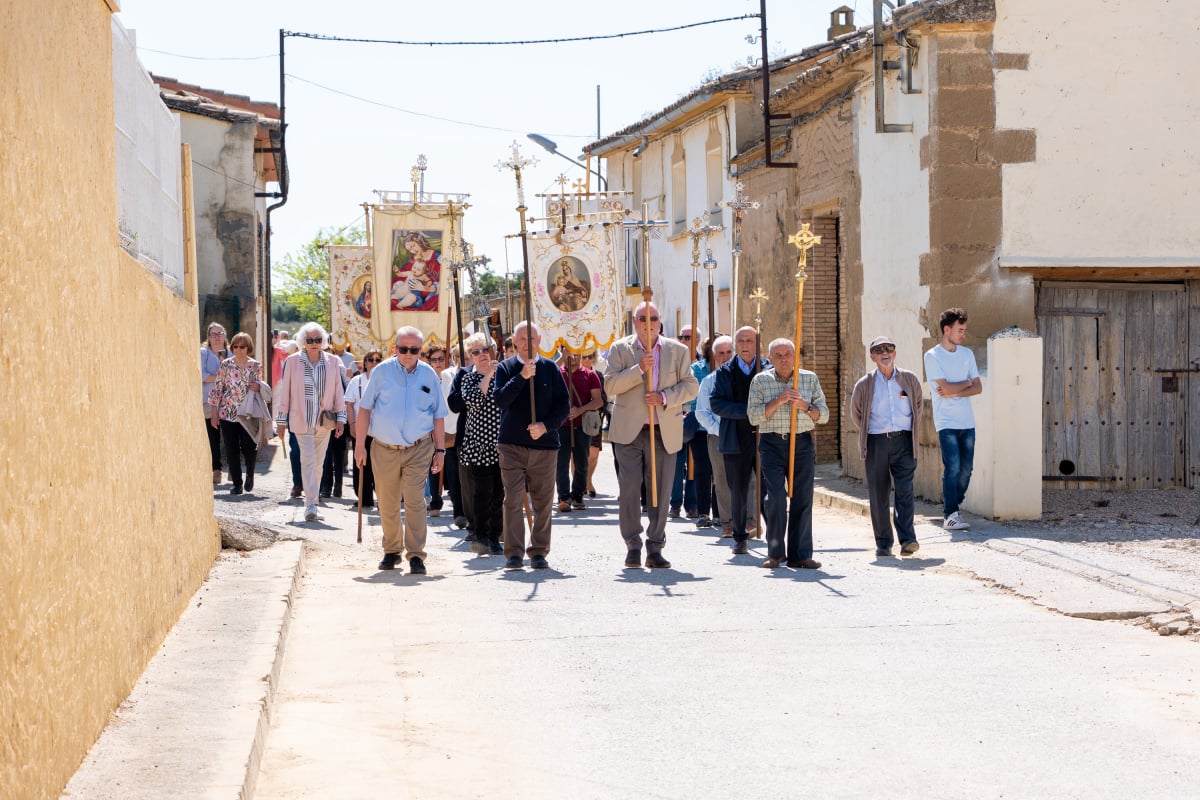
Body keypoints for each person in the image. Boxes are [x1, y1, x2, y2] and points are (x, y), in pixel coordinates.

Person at [604, 301, 699, 570]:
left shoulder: (677, 350)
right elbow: (610, 385)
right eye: (643, 318)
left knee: (661, 492)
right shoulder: (621, 349)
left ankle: (655, 545)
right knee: (631, 489)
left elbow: (691, 386)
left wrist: (665, 396)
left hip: (663, 430)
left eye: (654, 318)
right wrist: (639, 370)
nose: (649, 323)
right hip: (629, 433)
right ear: (634, 321)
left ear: (660, 320)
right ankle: (633, 544)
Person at [355, 327, 448, 575]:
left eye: (414, 350)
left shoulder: (429, 375)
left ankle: (416, 554)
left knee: (416, 500)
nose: (408, 354)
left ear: (420, 351)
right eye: (403, 349)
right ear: (395, 348)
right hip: (384, 447)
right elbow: (364, 410)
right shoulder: (381, 372)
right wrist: (359, 445)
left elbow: (438, 415)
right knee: (387, 501)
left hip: (419, 447)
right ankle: (392, 550)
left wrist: (440, 451)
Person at [491, 321, 570, 571]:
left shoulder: (550, 369)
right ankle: (513, 553)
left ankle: (538, 551)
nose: (527, 343)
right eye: (522, 339)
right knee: (513, 498)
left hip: (544, 447)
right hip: (512, 445)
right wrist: (521, 378)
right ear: (514, 342)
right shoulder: (505, 367)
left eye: (532, 339)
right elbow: (500, 400)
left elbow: (563, 407)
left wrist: (546, 426)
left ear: (539, 341)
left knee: (543, 502)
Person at [747, 338, 828, 569]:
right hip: (772, 444)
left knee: (803, 497)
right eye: (778, 355)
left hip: (801, 443)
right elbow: (754, 416)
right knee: (775, 498)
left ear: (795, 357)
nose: (784, 359)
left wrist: (804, 406)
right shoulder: (761, 380)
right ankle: (775, 553)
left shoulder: (809, 379)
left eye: (788, 354)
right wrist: (779, 399)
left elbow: (824, 415)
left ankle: (800, 554)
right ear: (770, 358)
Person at [850, 336, 924, 557]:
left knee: (905, 491)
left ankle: (908, 539)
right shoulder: (864, 384)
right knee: (879, 493)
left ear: (895, 352)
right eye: (879, 349)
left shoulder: (908, 380)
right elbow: (857, 414)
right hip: (876, 442)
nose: (885, 352)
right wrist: (872, 432)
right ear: (872, 356)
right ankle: (883, 542)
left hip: (904, 441)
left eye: (889, 348)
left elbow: (917, 406)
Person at [275, 323, 346, 523]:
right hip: (300, 420)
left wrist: (341, 418)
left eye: (317, 340)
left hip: (325, 421)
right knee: (308, 460)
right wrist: (281, 422)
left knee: (318, 463)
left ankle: (312, 501)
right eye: (309, 340)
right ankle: (311, 505)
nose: (314, 344)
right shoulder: (292, 361)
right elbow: (285, 393)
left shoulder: (333, 361)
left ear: (322, 341)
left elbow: (339, 391)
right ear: (302, 342)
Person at [710, 326, 769, 554]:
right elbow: (717, 404)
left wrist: (760, 415)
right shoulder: (725, 371)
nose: (745, 345)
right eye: (741, 341)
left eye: (749, 340)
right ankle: (740, 537)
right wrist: (749, 411)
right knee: (738, 489)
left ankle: (774, 535)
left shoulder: (767, 369)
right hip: (735, 438)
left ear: (757, 344)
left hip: (765, 438)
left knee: (767, 487)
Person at [924, 307, 982, 532]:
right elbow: (944, 387)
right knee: (953, 468)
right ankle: (951, 514)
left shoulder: (967, 354)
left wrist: (958, 390)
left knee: (967, 470)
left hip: (967, 422)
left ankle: (952, 504)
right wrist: (965, 383)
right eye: (960, 330)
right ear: (947, 329)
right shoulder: (932, 356)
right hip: (946, 422)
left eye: (964, 330)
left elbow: (978, 387)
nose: (963, 334)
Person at [458, 333, 505, 556]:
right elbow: (475, 401)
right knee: (481, 492)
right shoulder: (468, 378)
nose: (482, 355)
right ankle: (481, 534)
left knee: (498, 492)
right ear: (470, 357)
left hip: (501, 443)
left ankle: (495, 535)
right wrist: (488, 375)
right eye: (476, 352)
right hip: (479, 443)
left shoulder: (503, 374)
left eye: (485, 350)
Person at [695, 336, 745, 536]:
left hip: (744, 434)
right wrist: (719, 429)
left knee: (747, 478)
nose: (725, 357)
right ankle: (727, 522)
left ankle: (748, 520)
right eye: (721, 353)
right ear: (715, 356)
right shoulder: (709, 381)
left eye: (729, 352)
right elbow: (701, 412)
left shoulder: (744, 377)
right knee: (722, 480)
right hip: (718, 435)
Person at [208, 332, 263, 495]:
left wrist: (258, 386)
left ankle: (250, 475)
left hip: (248, 412)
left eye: (242, 347)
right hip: (228, 411)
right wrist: (214, 412)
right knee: (231, 448)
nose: (238, 350)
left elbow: (260, 386)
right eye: (236, 346)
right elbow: (218, 388)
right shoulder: (225, 365)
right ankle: (237, 483)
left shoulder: (255, 365)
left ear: (248, 348)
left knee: (249, 446)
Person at [557, 351, 603, 512]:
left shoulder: (590, 375)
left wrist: (580, 410)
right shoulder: (558, 372)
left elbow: (598, 401)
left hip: (582, 426)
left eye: (577, 354)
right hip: (561, 426)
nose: (574, 357)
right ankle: (563, 497)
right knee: (561, 463)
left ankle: (577, 495)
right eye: (570, 354)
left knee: (582, 463)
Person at [345, 349, 383, 509]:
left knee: (381, 466)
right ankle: (364, 497)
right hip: (361, 428)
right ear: (365, 362)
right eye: (370, 359)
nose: (374, 363)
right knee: (361, 463)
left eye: (377, 360)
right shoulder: (357, 381)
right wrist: (352, 424)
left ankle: (382, 497)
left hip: (381, 430)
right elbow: (349, 403)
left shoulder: (385, 381)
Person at [201, 322, 228, 485]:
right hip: (208, 400)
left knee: (232, 436)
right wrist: (223, 378)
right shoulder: (203, 353)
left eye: (220, 333)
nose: (217, 337)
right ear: (209, 338)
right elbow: (203, 376)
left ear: (225, 336)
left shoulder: (232, 352)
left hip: (229, 402)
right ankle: (216, 469)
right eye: (213, 334)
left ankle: (233, 469)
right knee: (213, 437)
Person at [391, 232, 440, 310]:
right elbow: (402, 274)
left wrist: (425, 288)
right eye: (410, 249)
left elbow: (446, 280)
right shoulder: (413, 260)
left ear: (419, 241)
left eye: (413, 246)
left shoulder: (437, 257)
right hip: (408, 291)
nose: (413, 250)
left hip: (430, 292)